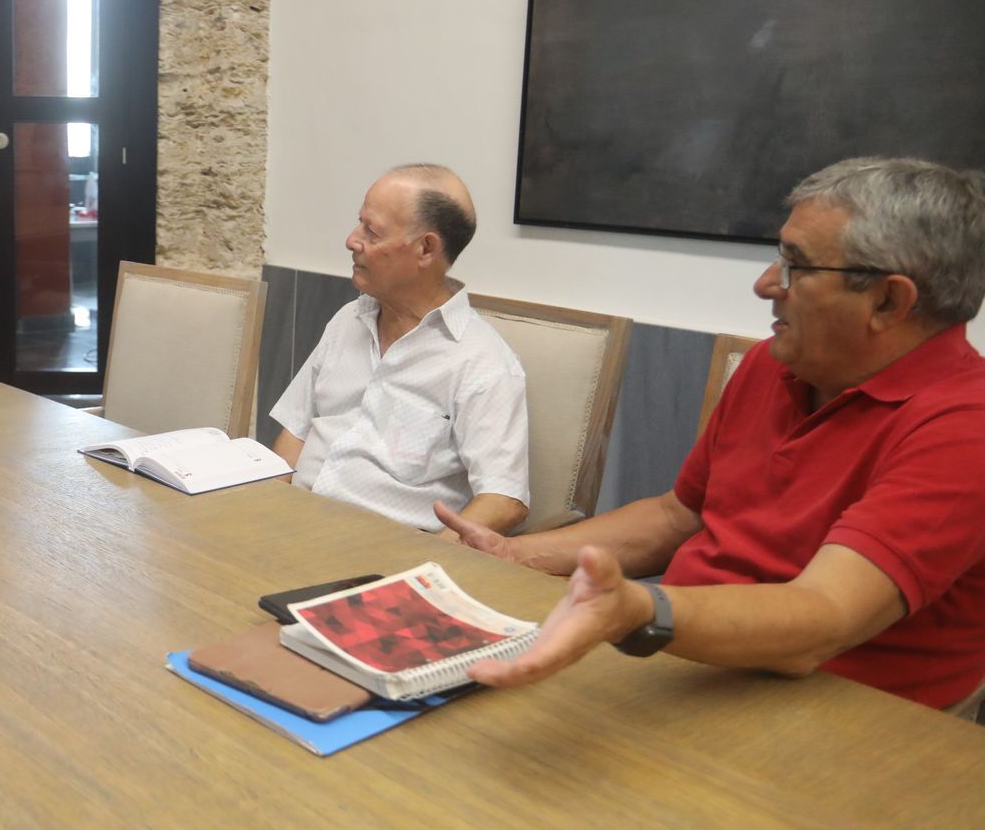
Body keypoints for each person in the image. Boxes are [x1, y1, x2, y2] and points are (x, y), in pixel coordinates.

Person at [438, 157, 985, 710]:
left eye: (796, 266)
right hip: (696, 666)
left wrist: (643, 613)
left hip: (845, 714)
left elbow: (822, 619)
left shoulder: (966, 428)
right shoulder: (777, 363)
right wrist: (514, 554)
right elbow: (680, 515)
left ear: (889, 301)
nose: (766, 284)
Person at [270, 164, 530, 533]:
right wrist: (267, 517)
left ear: (426, 248)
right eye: (359, 222)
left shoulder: (481, 362)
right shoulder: (348, 320)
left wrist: (426, 565)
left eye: (371, 231)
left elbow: (504, 500)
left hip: (384, 557)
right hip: (294, 529)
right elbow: (295, 432)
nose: (351, 240)